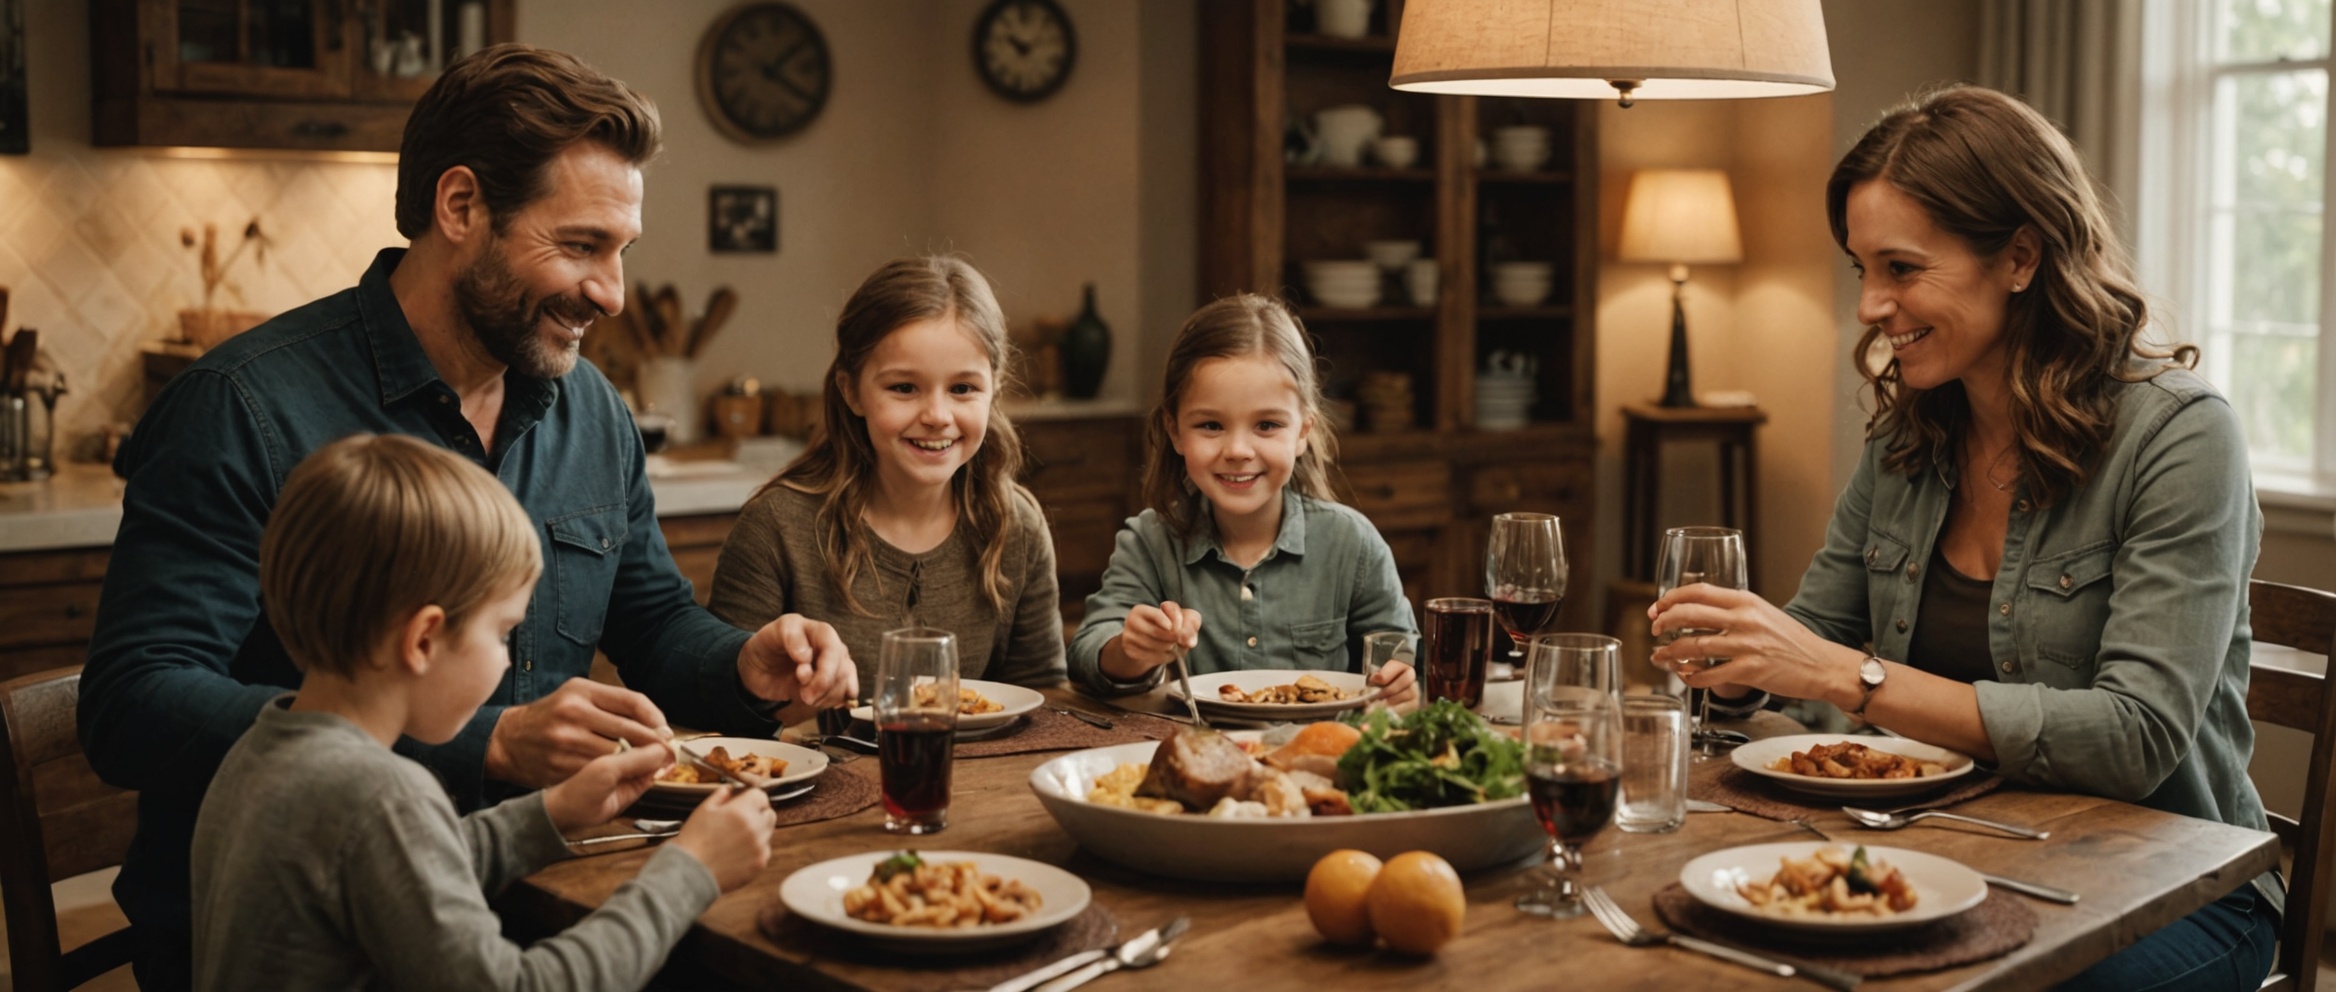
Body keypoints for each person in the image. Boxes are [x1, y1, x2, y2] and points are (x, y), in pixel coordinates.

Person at [78, 44, 853, 990]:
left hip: (539, 890)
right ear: (460, 209)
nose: (611, 292)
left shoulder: (591, 410)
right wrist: (479, 740)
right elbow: (132, 703)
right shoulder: (244, 407)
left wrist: (745, 664)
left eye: (620, 252)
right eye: (579, 246)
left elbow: (651, 624)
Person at [1649, 85, 2277, 990]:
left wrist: (1845, 677)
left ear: (2020, 256)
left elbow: (2137, 736)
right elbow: (1812, 636)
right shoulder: (1908, 440)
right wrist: (1738, 666)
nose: (1871, 305)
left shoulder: (2180, 437)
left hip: (2175, 889)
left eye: (1900, 268)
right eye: (1860, 268)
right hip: (1955, 855)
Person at [192, 434, 775, 991]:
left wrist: (551, 813)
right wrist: (688, 869)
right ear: (423, 640)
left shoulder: (262, 747)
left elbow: (408, 870)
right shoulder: (382, 795)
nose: (505, 662)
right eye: (502, 634)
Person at [709, 257, 1066, 688]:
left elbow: (1044, 698)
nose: (937, 415)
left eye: (963, 389)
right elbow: (722, 702)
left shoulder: (1016, 525)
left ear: (994, 390)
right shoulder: (776, 527)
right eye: (903, 388)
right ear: (852, 391)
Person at [1070, 294, 1418, 701]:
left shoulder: (1352, 543)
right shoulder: (1148, 541)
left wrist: (1401, 679)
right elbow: (1086, 656)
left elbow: (1401, 653)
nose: (1238, 450)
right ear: (1175, 430)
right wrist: (1131, 651)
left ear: (1303, 431)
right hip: (1196, 753)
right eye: (1211, 425)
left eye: (1266, 425)